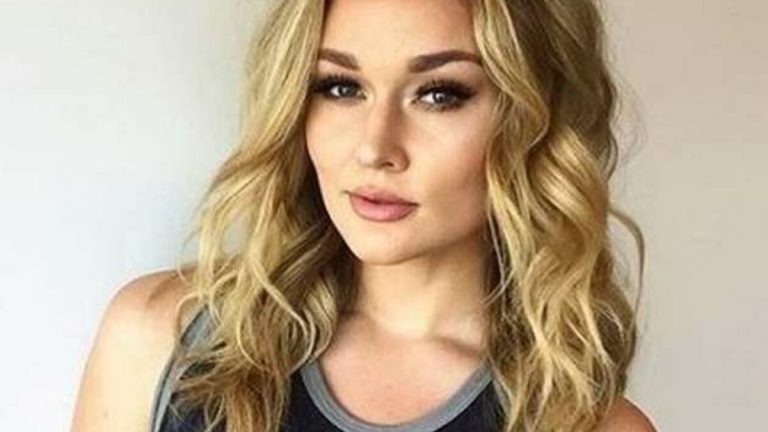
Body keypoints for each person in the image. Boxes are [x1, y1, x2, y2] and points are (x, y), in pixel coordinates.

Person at [71, 0, 657, 431]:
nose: (376, 148)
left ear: (536, 120)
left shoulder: (586, 424)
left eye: (439, 94)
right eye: (341, 87)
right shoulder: (160, 338)